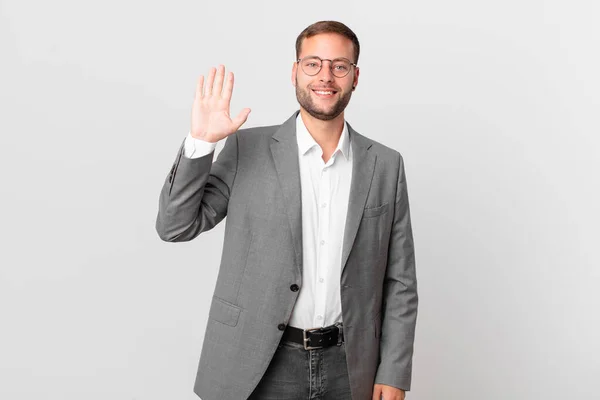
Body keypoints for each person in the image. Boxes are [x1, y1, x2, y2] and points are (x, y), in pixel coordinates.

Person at [156, 20, 418, 400]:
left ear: (355, 77)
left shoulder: (386, 165)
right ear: (294, 72)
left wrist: (394, 371)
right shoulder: (248, 149)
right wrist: (201, 143)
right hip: (257, 364)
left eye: (339, 66)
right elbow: (175, 226)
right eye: (313, 64)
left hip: (350, 367)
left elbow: (401, 281)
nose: (325, 76)